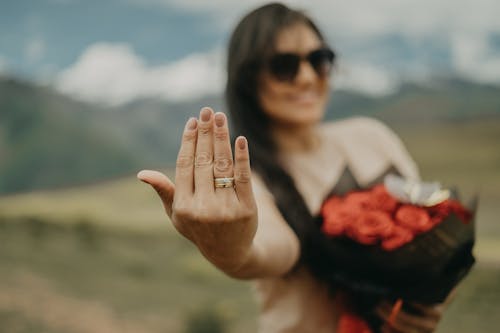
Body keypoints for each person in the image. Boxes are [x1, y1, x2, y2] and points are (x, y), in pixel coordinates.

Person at [137, 3, 450, 332]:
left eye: (319, 60)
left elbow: (434, 237)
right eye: (284, 66)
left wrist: (431, 301)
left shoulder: (373, 136)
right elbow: (264, 252)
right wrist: (230, 248)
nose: (307, 77)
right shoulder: (249, 181)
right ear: (248, 80)